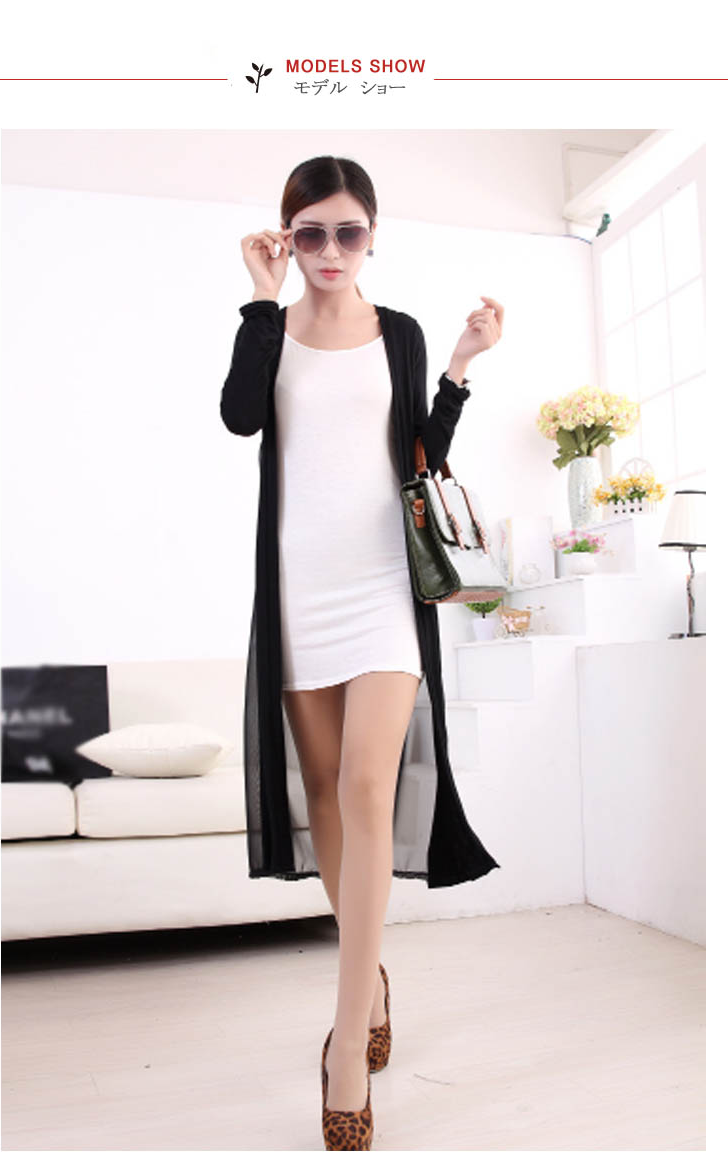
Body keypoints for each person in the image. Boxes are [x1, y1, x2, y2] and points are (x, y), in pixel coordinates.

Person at [221, 155, 503, 1150]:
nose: (331, 250)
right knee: (328, 793)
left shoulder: (403, 333)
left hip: (384, 589)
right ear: (287, 238)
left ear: (372, 236)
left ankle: (347, 1042)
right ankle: (369, 976)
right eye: (311, 233)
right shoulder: (272, 328)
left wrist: (459, 364)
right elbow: (240, 416)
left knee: (369, 788)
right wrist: (262, 300)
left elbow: (421, 456)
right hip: (300, 592)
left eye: (348, 232)